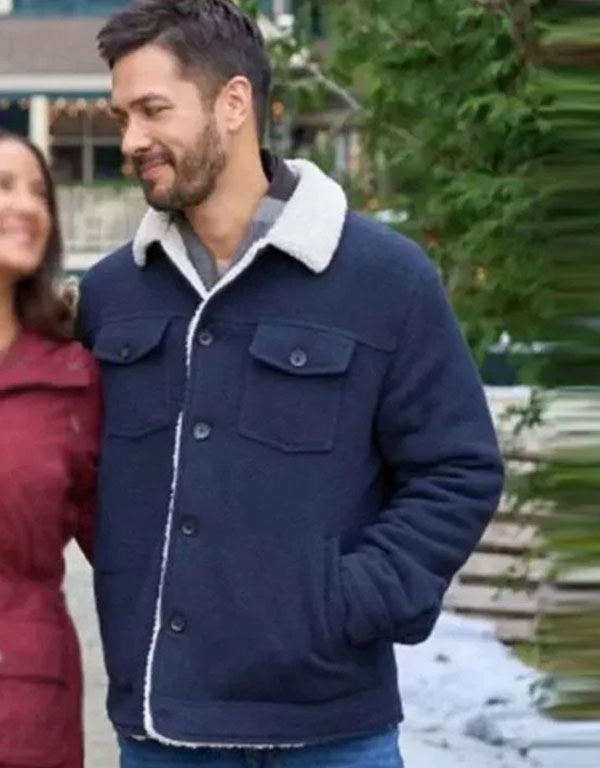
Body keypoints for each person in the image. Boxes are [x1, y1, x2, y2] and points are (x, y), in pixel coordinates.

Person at [78, 2, 504, 766]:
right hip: (160, 732)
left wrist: (346, 603)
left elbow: (458, 468)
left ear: (234, 103)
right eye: (122, 117)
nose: (132, 140)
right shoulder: (111, 294)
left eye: (152, 110)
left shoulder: (385, 279)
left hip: (332, 733)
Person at [0, 130, 101, 768]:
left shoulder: (74, 378)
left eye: (40, 192)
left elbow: (126, 552)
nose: (28, 206)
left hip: (25, 716)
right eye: (5, 187)